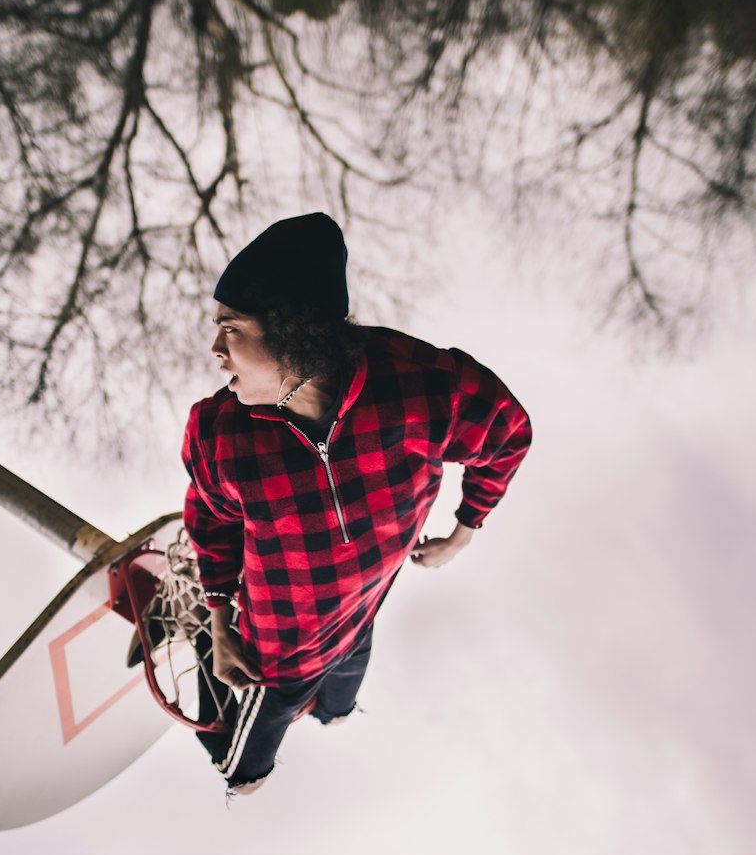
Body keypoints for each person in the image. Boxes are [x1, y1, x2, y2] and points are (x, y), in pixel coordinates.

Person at [181, 212, 532, 796]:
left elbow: (507, 433)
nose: (215, 349)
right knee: (240, 773)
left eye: (231, 327)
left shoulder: (418, 385)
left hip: (362, 614)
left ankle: (331, 709)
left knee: (338, 710)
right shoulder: (221, 433)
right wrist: (219, 620)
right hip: (274, 654)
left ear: (289, 329)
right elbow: (213, 526)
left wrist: (464, 529)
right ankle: (204, 657)